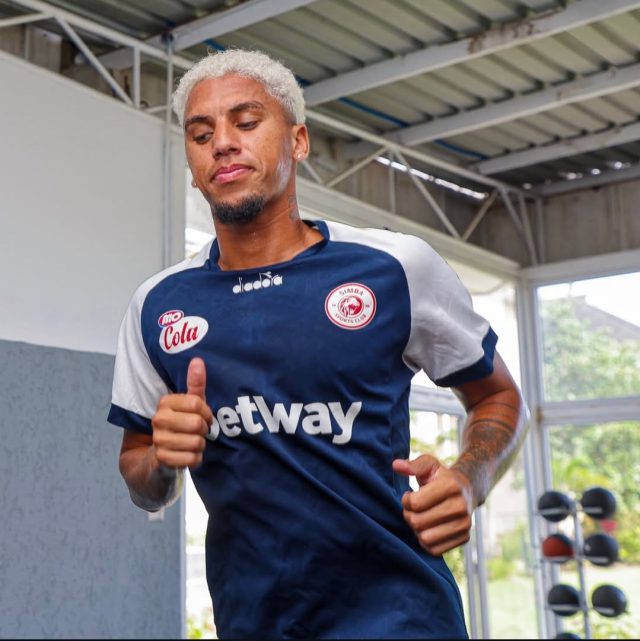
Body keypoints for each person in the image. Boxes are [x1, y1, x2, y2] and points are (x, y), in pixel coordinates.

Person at [107, 48, 529, 639]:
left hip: (403, 619)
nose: (222, 143)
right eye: (201, 135)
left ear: (298, 141)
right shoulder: (157, 304)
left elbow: (500, 398)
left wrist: (469, 479)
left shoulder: (395, 267)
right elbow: (141, 477)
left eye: (245, 122)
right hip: (253, 622)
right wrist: (162, 458)